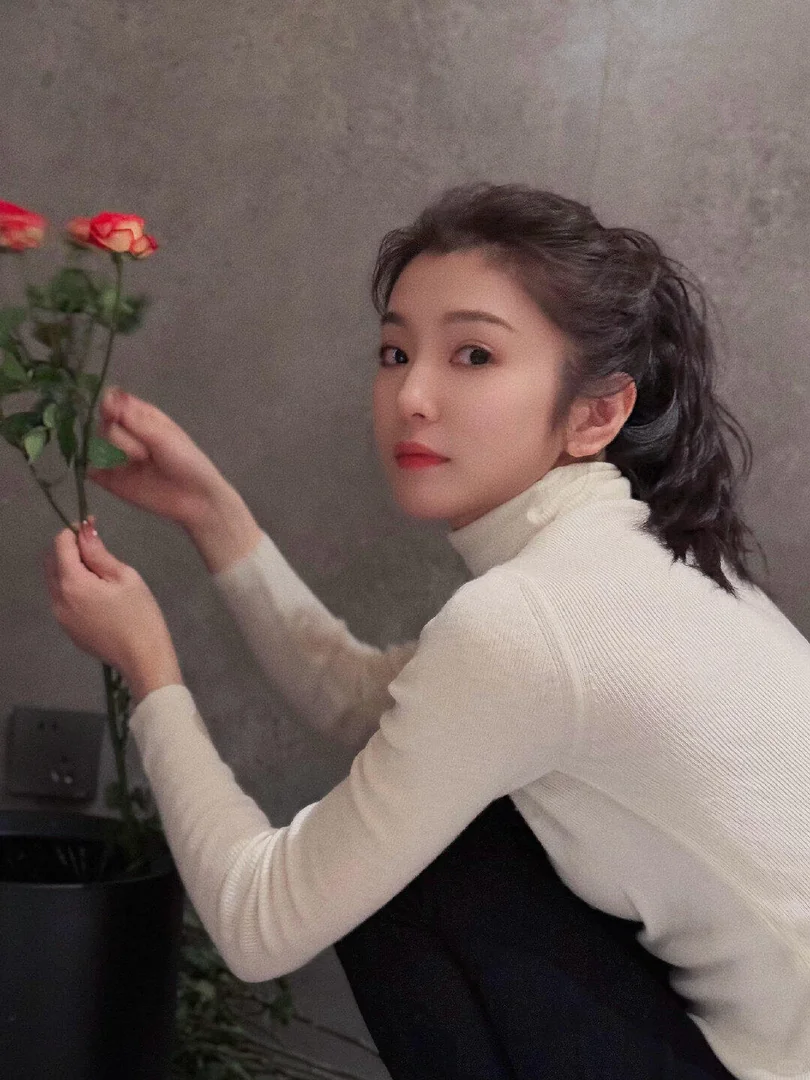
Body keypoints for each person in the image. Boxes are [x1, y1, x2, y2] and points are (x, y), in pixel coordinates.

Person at [43, 182, 810, 1080]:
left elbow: (259, 923)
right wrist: (212, 514)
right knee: (435, 831)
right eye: (395, 351)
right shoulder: (634, 560)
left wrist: (148, 668)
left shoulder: (533, 620)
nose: (410, 394)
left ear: (596, 412)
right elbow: (367, 704)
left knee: (416, 874)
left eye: (474, 355)